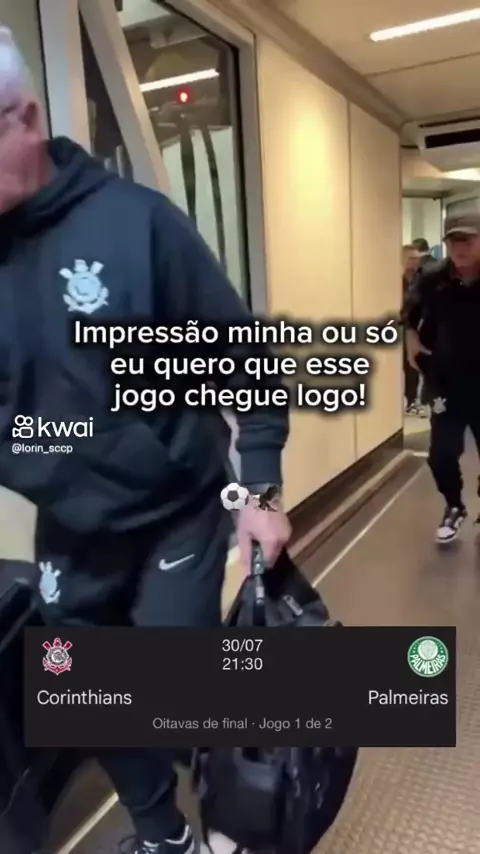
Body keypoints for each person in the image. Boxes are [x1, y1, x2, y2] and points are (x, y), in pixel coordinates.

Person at [0, 29, 291, 854]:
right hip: (72, 525)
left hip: (175, 507)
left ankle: (241, 810)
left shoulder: (136, 226)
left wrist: (261, 491)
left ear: (25, 118)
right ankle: (165, 837)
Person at [403, 213, 480, 544]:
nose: (459, 248)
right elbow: (408, 312)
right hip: (445, 382)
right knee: (441, 454)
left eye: (468, 240)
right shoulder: (432, 277)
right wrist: (409, 337)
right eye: (453, 241)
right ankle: (454, 505)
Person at [402, 244, 421, 413]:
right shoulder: (394, 281)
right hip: (396, 329)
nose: (416, 262)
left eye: (417, 258)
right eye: (412, 258)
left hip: (414, 330)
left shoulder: (420, 280)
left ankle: (412, 400)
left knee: (412, 368)